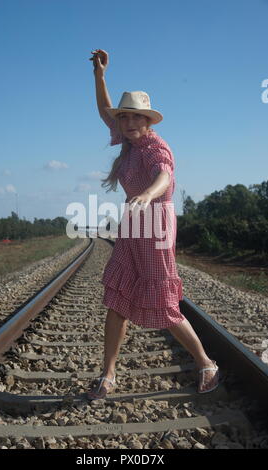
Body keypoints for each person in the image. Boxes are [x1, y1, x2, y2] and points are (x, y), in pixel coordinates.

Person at [87, 49, 219, 400]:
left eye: (136, 118)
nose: (128, 123)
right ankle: (109, 373)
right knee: (117, 300)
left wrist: (147, 195)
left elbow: (165, 175)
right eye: (125, 117)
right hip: (133, 225)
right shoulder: (127, 144)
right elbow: (104, 111)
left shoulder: (155, 146)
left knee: (163, 302)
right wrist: (100, 75)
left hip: (156, 226)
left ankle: (206, 362)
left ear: (148, 121)